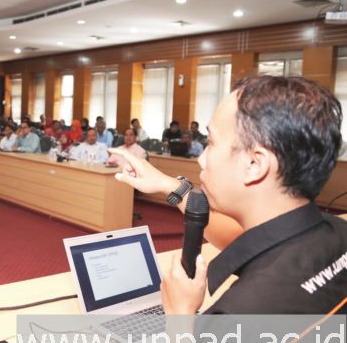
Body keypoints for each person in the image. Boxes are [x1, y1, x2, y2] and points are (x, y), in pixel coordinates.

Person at [110, 75, 345, 315]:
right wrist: (168, 185)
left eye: (211, 143)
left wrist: (180, 313)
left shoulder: (237, 313)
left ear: (254, 163)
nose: (201, 159)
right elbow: (240, 239)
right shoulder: (338, 231)